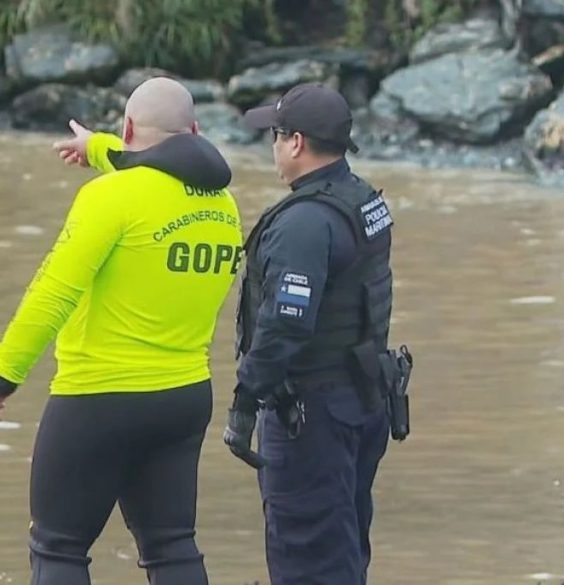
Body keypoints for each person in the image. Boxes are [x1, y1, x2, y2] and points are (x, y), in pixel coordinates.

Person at [0, 77, 244, 585]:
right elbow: (152, 170)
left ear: (127, 128)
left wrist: (2, 376)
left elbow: (52, 292)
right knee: (171, 545)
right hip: (183, 398)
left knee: (58, 548)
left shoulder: (109, 198)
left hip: (98, 398)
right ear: (194, 130)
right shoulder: (222, 206)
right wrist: (98, 148)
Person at [222, 83, 406, 585]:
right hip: (362, 399)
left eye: (275, 136)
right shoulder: (364, 200)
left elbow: (285, 323)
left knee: (309, 556)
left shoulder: (304, 223)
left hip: (311, 413)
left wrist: (245, 398)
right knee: (343, 544)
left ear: (297, 142)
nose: (273, 148)